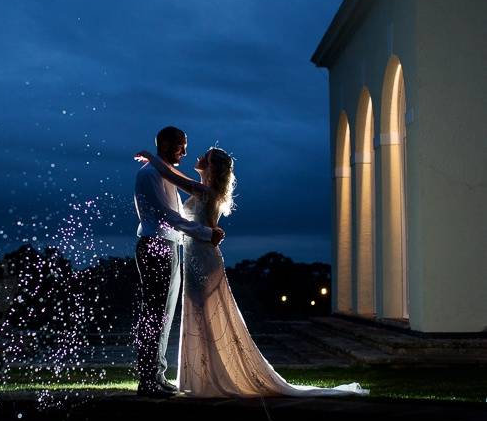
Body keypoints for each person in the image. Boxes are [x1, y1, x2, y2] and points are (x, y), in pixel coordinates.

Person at [135, 146, 368, 397]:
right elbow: (177, 183)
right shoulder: (202, 188)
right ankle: (199, 376)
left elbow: (171, 177)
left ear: (213, 168)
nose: (199, 157)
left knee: (204, 315)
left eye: (207, 157)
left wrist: (152, 157)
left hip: (202, 259)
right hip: (195, 256)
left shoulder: (204, 191)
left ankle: (207, 377)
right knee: (198, 315)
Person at [133, 126, 224, 398]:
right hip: (155, 244)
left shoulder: (162, 172)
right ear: (166, 144)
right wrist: (206, 234)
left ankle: (157, 375)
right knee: (154, 312)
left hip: (169, 244)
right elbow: (167, 217)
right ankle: (147, 379)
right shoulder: (149, 174)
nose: (185, 152)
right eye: (181, 145)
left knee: (165, 313)